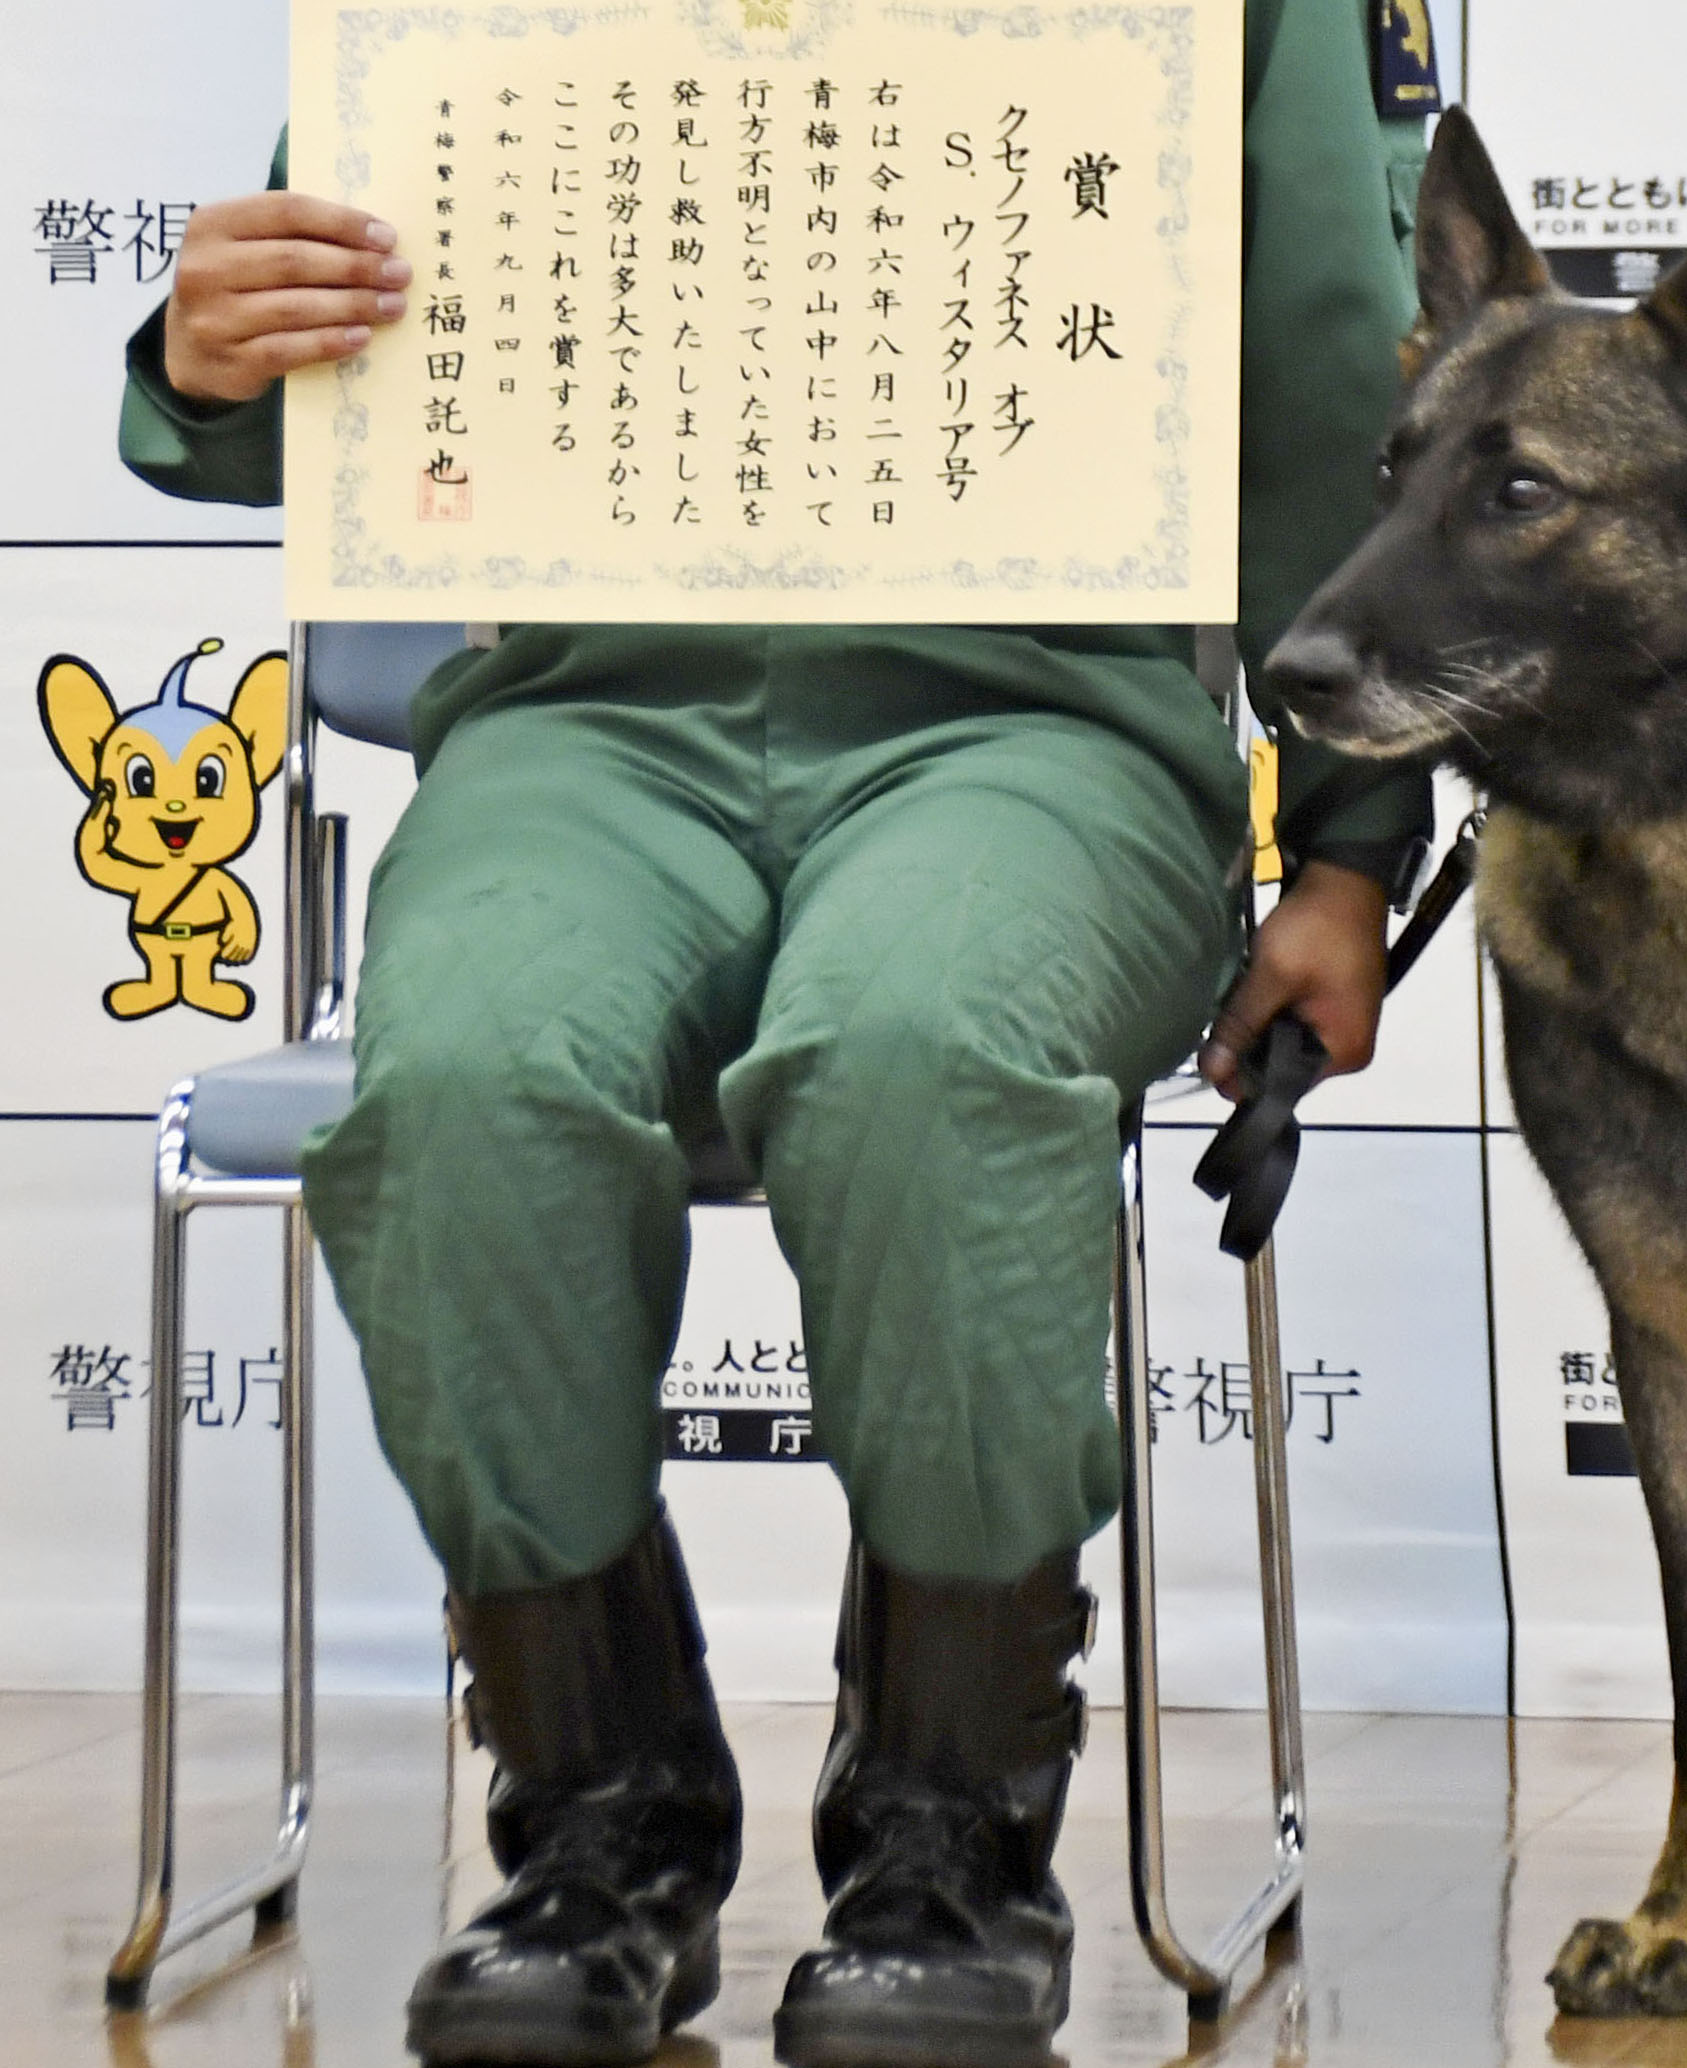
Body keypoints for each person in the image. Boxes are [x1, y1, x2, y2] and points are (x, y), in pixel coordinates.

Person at [119, 6, 1430, 2062]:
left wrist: (1348, 842)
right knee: (466, 1078)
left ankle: (950, 1831)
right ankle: (599, 1820)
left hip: (1036, 715)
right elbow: (331, 329)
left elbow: (1328, 367)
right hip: (585, 717)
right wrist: (205, 361)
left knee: (922, 1049)